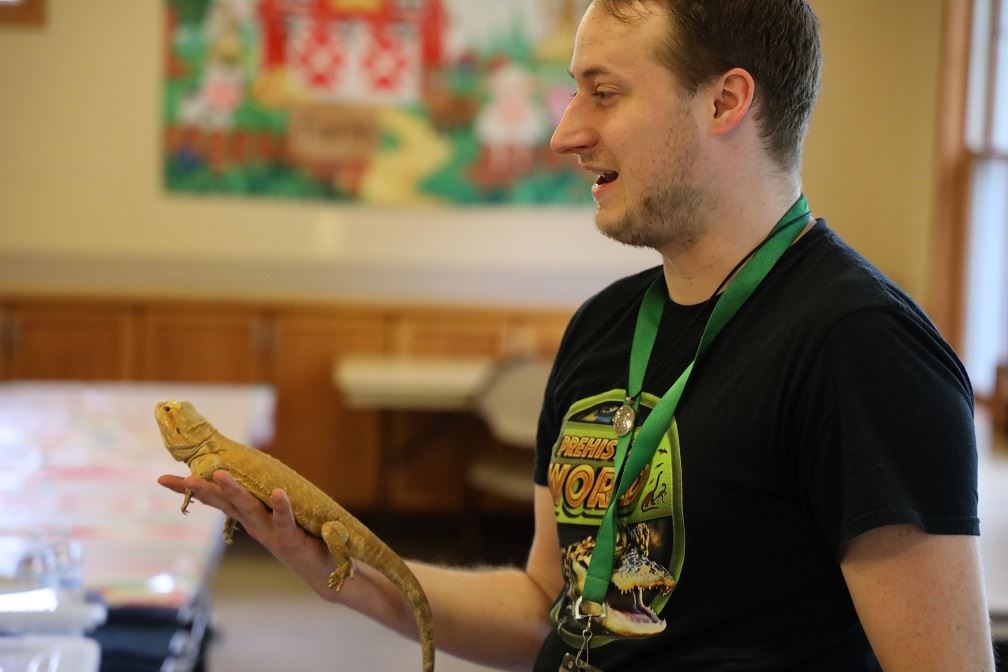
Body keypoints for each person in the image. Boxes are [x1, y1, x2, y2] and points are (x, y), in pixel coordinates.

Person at [159, 1, 996, 669]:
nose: (565, 132)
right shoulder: (604, 328)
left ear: (725, 102)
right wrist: (341, 571)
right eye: (573, 92)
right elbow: (546, 609)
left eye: (605, 92)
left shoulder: (864, 348)